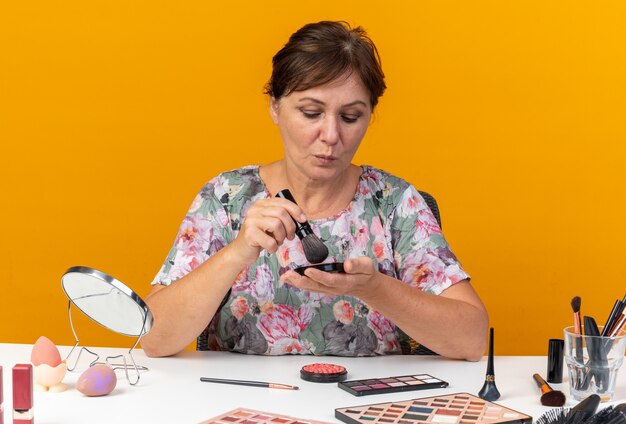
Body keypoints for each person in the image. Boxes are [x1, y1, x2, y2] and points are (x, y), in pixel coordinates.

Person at [141, 21, 488, 360]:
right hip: (244, 403)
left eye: (350, 117)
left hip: (364, 407)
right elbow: (154, 339)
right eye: (311, 113)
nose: (331, 135)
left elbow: (472, 341)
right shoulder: (225, 196)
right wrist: (236, 253)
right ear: (275, 107)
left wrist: (374, 287)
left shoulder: (396, 203)